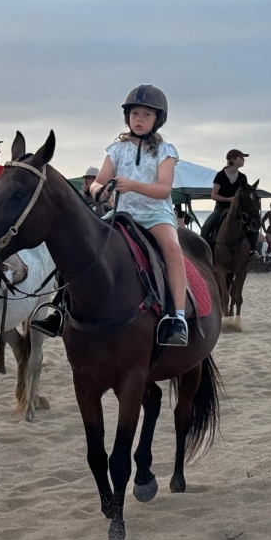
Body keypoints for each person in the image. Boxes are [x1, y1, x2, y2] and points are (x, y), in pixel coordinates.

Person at [35, 85, 188, 345]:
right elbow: (99, 182)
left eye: (146, 115)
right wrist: (99, 192)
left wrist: (132, 185)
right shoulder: (115, 150)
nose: (139, 119)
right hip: (122, 215)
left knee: (173, 249)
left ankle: (177, 318)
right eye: (135, 113)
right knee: (81, 247)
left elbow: (164, 189)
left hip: (155, 215)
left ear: (157, 119)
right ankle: (60, 308)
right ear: (127, 117)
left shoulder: (166, 150)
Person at [200, 149, 257, 254]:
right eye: (241, 158)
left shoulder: (242, 177)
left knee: (254, 224)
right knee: (205, 228)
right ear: (233, 160)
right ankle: (205, 253)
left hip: (238, 210)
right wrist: (229, 199)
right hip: (221, 208)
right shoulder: (220, 175)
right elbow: (214, 195)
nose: (243, 160)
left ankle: (253, 251)